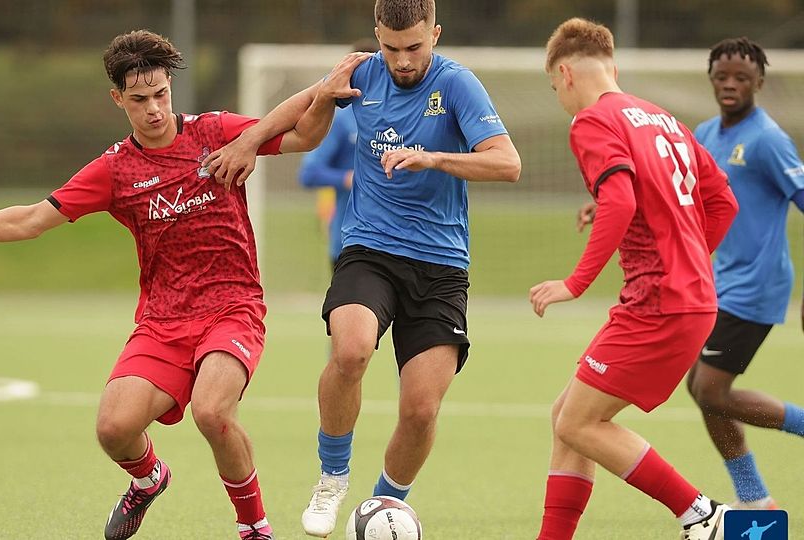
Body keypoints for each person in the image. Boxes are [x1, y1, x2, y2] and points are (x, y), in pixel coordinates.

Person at [0, 29, 367, 540]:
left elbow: (303, 136)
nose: (154, 109)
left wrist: (324, 91)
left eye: (161, 94)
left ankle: (254, 527)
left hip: (233, 306)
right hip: (164, 319)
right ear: (118, 99)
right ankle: (148, 479)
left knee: (212, 413)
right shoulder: (115, 170)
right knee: (113, 429)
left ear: (171, 88)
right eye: (139, 99)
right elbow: (33, 219)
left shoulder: (213, 133)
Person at [205, 1, 521, 536]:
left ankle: (380, 506)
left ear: (435, 34)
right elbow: (300, 105)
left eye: (414, 48)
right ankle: (331, 479)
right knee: (350, 348)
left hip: (441, 264)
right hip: (369, 249)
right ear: (377, 35)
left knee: (420, 409)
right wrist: (248, 141)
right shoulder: (360, 72)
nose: (401, 60)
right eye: (390, 47)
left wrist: (433, 157)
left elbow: (507, 162)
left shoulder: (458, 85)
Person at [529, 18, 739, 540]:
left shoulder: (592, 122)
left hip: (659, 301)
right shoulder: (663, 119)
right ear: (613, 67)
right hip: (688, 297)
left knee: (577, 423)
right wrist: (687, 257)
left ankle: (703, 516)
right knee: (568, 416)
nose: (560, 98)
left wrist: (574, 283)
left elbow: (620, 198)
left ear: (566, 73)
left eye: (555, 88)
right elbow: (722, 201)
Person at [684, 38, 804, 511]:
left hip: (757, 286)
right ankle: (756, 501)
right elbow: (679, 193)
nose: (730, 85)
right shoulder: (705, 133)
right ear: (711, 79)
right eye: (722, 76)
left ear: (759, 83)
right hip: (718, 284)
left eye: (741, 78)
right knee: (701, 389)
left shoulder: (768, 139)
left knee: (710, 389)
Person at [298, 38, 379, 269]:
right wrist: (347, 178)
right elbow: (309, 173)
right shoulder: (343, 119)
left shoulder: (408, 115)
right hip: (349, 243)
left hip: (401, 243)